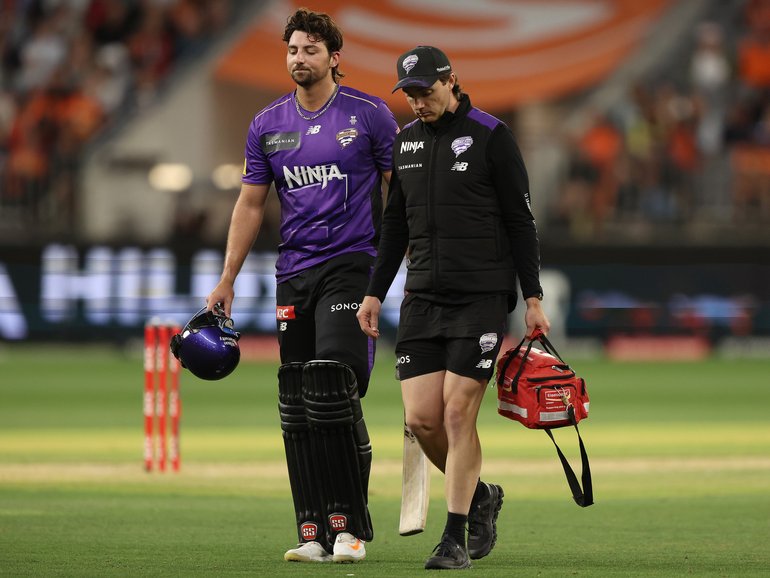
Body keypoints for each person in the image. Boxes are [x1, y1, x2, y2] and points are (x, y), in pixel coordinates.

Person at [206, 8, 398, 564]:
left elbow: (398, 195)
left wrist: (396, 265)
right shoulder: (267, 124)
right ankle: (314, 529)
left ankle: (352, 529)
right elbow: (250, 203)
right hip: (293, 273)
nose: (299, 58)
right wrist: (226, 279)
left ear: (334, 58)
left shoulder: (369, 115)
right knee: (297, 401)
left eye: (310, 49)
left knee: (333, 385)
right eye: (292, 49)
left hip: (352, 265)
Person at [356, 46, 550, 570]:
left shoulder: (492, 135)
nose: (418, 101)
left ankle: (454, 536)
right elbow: (394, 225)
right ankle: (481, 495)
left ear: (452, 81)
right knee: (422, 419)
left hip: (482, 297)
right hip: (422, 297)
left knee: (457, 412)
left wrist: (532, 298)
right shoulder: (406, 143)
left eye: (426, 90)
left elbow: (520, 221)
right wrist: (376, 291)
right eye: (410, 93)